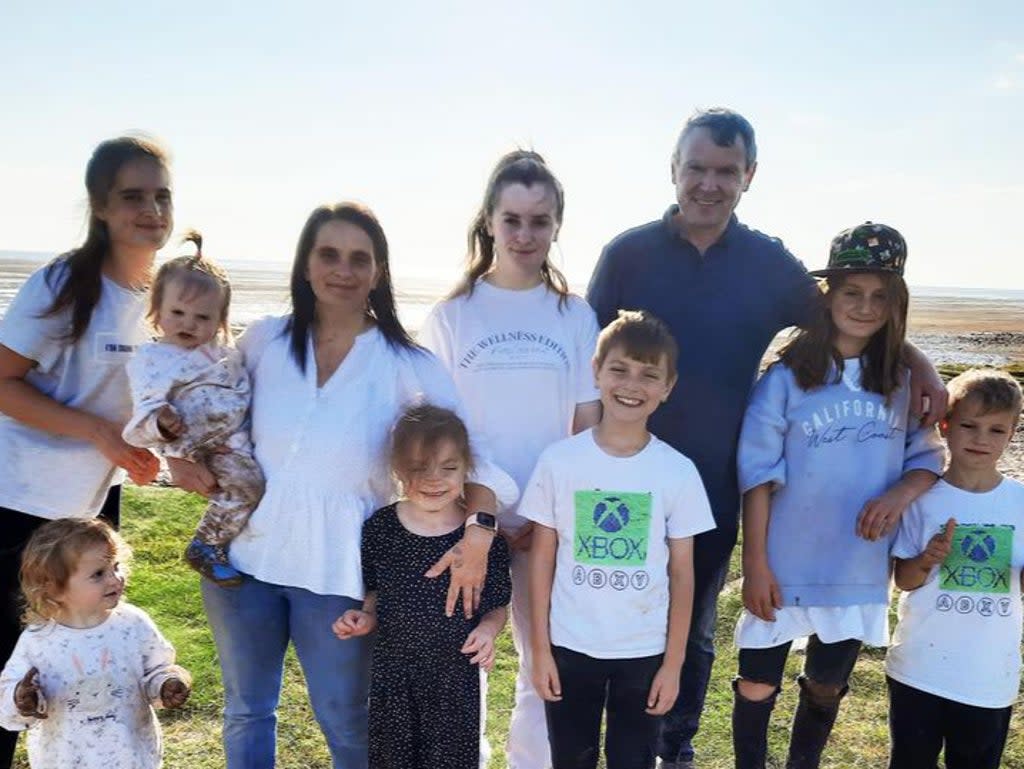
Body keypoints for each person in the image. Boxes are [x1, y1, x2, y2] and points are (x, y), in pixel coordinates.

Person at [585, 108, 947, 769]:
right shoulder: (626, 253)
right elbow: (580, 357)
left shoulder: (769, 263)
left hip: (716, 481)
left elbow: (856, 312)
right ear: (673, 168)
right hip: (623, 473)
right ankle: (616, 747)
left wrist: (915, 360)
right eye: (696, 167)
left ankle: (675, 747)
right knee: (614, 606)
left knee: (691, 625)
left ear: (749, 176)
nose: (709, 183)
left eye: (726, 171)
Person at [169, 201, 516, 769]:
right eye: (328, 254)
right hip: (242, 565)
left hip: (336, 574)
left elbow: (478, 463)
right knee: (246, 711)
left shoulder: (407, 363)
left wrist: (478, 534)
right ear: (305, 264)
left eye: (360, 258)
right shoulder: (263, 341)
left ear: (378, 272)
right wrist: (180, 460)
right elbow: (199, 401)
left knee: (347, 722)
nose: (343, 269)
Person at [731, 223, 944, 769]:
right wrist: (755, 563)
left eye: (880, 296)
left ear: (896, 305)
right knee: (757, 682)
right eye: (852, 291)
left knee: (826, 686)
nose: (865, 306)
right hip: (783, 562)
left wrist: (900, 493)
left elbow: (930, 457)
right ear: (828, 297)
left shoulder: (901, 382)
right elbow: (757, 477)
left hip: (856, 564)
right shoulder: (785, 380)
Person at [418, 149, 600, 769]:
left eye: (540, 221)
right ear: (489, 220)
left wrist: (547, 515)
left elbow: (586, 425)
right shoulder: (452, 315)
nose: (526, 235)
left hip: (549, 523)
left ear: (557, 226)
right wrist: (482, 513)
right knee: (460, 661)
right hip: (466, 519)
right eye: (513, 219)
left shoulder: (574, 316)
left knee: (540, 662)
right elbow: (441, 429)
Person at [0, 136, 167, 768]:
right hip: (18, 503)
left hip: (93, 508)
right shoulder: (64, 283)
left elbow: (148, 401)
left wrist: (152, 451)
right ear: (100, 206)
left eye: (161, 195)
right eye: (133, 196)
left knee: (81, 668)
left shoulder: (159, 296)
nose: (151, 209)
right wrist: (99, 434)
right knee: (14, 674)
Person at [522, 310, 716, 769]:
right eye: (619, 369)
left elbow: (683, 575)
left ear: (667, 387)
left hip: (643, 652)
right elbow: (542, 559)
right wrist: (541, 651)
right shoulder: (560, 462)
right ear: (596, 371)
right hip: (569, 646)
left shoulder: (677, 471)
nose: (632, 385)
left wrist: (673, 665)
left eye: (649, 375)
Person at [332, 404, 511, 769]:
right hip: (393, 675)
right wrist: (364, 617)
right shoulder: (379, 529)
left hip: (454, 678)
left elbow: (496, 604)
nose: (434, 480)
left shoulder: (480, 540)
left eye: (448, 468)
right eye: (418, 468)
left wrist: (489, 632)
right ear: (397, 469)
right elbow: (376, 593)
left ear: (466, 471)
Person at [886, 368, 1024, 769]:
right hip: (918, 671)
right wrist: (927, 559)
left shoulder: (1020, 503)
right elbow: (904, 580)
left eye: (997, 430)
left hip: (989, 678)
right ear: (945, 426)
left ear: (1012, 433)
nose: (981, 439)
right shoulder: (921, 499)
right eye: (970, 425)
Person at [122, 231, 264, 586]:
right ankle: (207, 543)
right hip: (192, 444)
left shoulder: (223, 352)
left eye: (203, 317)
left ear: (220, 320)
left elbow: (239, 386)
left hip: (231, 442)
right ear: (156, 310)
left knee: (250, 485)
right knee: (247, 486)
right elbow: (146, 406)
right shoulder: (152, 360)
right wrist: (163, 425)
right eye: (178, 312)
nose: (189, 323)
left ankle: (214, 541)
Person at [0, 518, 191, 769]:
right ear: (54, 588)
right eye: (98, 574)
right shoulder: (38, 640)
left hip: (129, 754)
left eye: (116, 567)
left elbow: (157, 670)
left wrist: (168, 684)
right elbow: (10, 694)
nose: (115, 579)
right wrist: (22, 697)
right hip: (65, 758)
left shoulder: (132, 624)